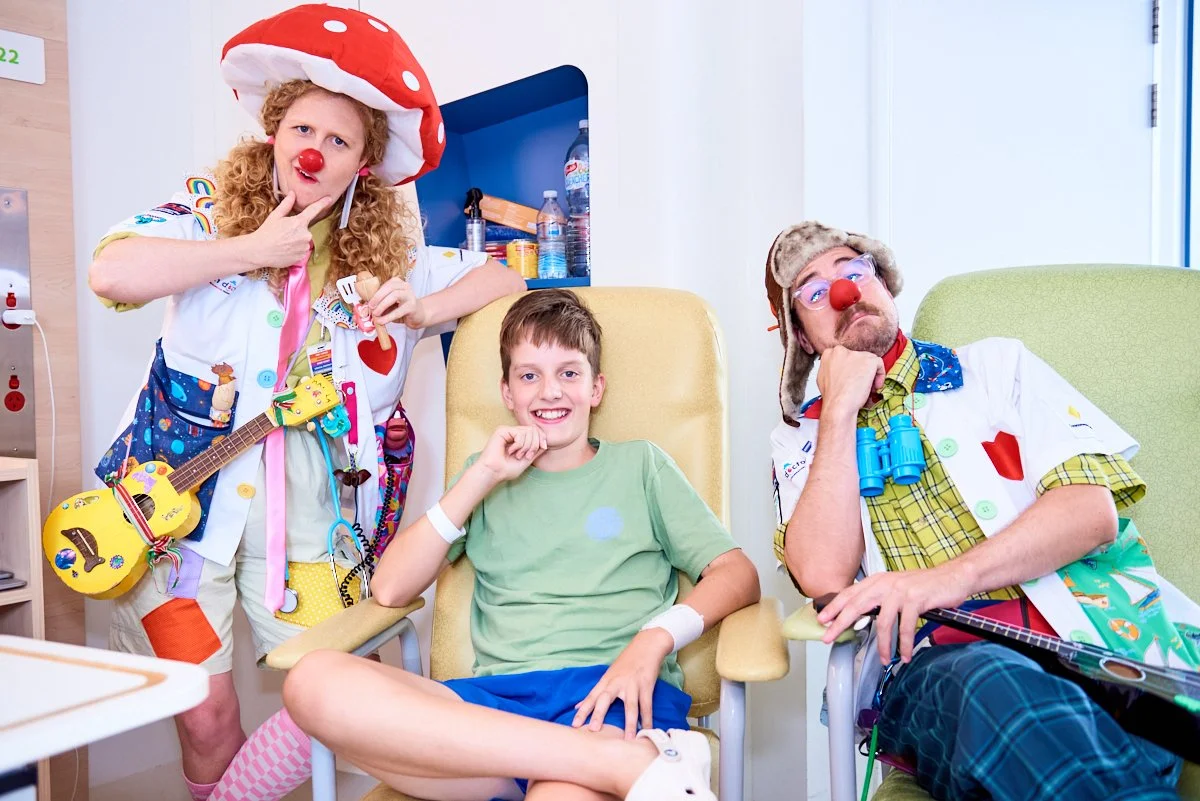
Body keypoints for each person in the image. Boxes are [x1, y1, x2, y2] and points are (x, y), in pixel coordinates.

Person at [87, 6, 525, 800]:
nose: (314, 151)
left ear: (362, 162)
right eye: (301, 130)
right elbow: (112, 272)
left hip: (314, 520)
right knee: (206, 717)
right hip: (172, 518)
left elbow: (509, 278)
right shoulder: (207, 215)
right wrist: (250, 250)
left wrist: (427, 309)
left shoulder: (393, 258)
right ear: (273, 132)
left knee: (345, 686)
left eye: (338, 140)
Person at [764, 221, 1200, 800]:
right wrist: (840, 410)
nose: (844, 291)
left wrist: (943, 582)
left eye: (853, 270)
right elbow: (821, 575)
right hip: (946, 674)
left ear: (885, 285)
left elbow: (1090, 509)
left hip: (1098, 647)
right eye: (814, 293)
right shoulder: (799, 442)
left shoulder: (997, 367)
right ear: (803, 337)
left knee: (1065, 728)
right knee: (994, 688)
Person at [283, 289, 761, 800]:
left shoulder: (642, 467)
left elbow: (738, 575)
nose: (549, 391)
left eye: (569, 373)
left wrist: (655, 639)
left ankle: (594, 760)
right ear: (507, 393)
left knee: (558, 794)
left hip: (609, 698)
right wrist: (483, 475)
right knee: (312, 681)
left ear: (596, 388)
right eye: (529, 375)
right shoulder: (483, 481)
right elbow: (391, 587)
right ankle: (624, 765)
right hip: (493, 719)